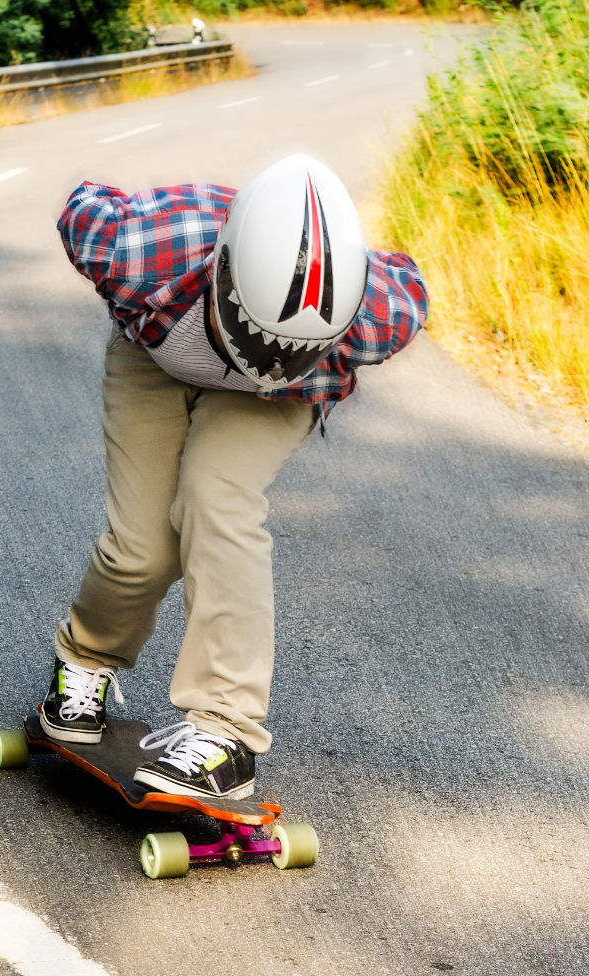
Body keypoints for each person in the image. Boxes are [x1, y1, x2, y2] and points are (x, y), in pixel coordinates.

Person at [41, 154, 428, 800]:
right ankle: (84, 660)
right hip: (156, 361)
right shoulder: (139, 250)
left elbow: (415, 286)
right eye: (260, 337)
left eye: (288, 346)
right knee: (143, 550)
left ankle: (225, 734)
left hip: (279, 399)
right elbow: (81, 206)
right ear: (220, 274)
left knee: (216, 499)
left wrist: (288, 364)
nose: (266, 359)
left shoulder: (375, 316)